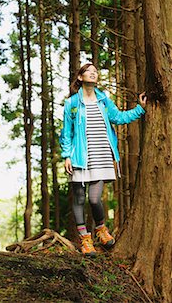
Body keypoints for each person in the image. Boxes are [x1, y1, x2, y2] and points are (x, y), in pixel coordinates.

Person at [60, 63, 147, 257]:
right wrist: (66, 155)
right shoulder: (72, 103)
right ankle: (85, 240)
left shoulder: (103, 101)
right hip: (79, 156)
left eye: (96, 72)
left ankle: (101, 229)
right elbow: (66, 132)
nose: (93, 73)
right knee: (80, 198)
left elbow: (119, 117)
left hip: (102, 155)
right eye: (89, 71)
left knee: (94, 198)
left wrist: (140, 109)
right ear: (81, 77)